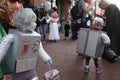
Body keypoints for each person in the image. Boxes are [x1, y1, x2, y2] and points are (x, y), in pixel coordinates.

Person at [0, 8, 52, 80]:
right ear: (25, 22)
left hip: (30, 68)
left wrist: (46, 58)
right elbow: (4, 45)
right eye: (33, 21)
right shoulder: (13, 36)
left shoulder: (35, 35)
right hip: (17, 71)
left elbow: (39, 48)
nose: (36, 23)